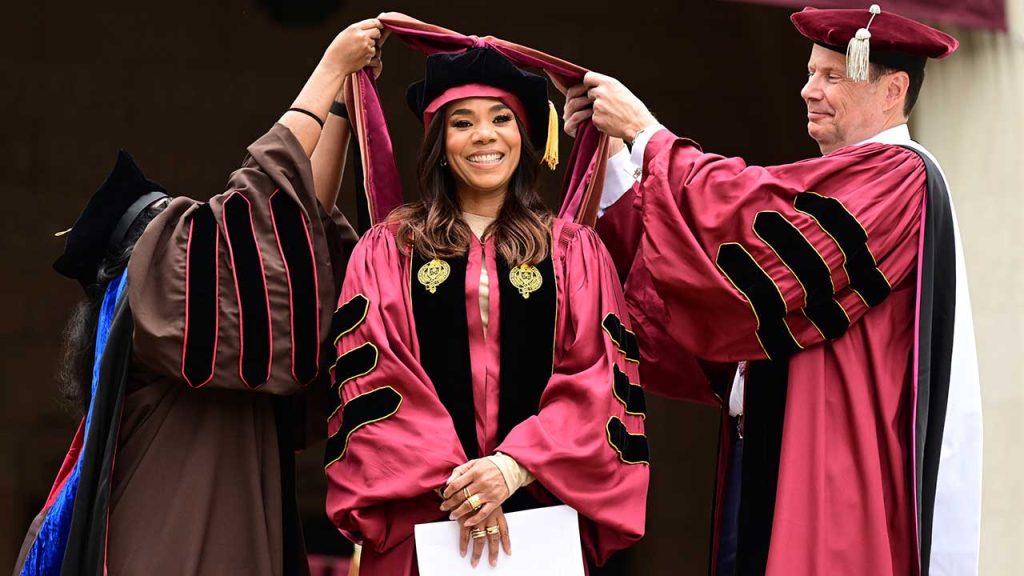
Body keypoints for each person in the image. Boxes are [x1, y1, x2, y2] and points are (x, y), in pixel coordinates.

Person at [565, 5, 981, 576]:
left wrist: (646, 134)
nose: (809, 90)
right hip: (766, 448)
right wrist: (617, 161)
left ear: (894, 89)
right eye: (810, 73)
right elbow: (720, 287)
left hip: (830, 472)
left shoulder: (900, 177)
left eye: (833, 76)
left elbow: (746, 217)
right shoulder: (839, 182)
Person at [14, 19, 382, 575]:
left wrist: (339, 118)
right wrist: (328, 71)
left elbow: (293, 240)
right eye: (175, 230)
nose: (196, 242)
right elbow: (250, 222)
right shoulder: (159, 319)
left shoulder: (217, 336)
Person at [323, 47, 649, 575]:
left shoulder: (573, 251)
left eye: (502, 119)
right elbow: (372, 377)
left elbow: (599, 377)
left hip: (541, 525)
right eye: (462, 122)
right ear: (439, 142)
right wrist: (464, 487)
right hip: (424, 526)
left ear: (525, 136)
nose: (484, 135)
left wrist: (513, 467)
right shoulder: (389, 249)